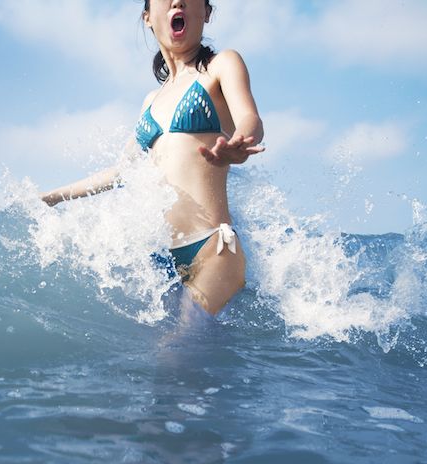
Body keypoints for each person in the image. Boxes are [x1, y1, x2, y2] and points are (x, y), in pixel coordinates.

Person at [40, 0, 264, 316]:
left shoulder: (221, 66)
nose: (177, 1)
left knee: (178, 348)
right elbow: (120, 172)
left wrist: (240, 142)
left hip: (214, 248)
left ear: (207, 13)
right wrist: (52, 197)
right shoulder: (150, 101)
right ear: (147, 16)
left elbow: (249, 119)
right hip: (165, 260)